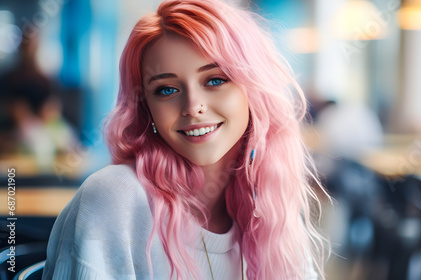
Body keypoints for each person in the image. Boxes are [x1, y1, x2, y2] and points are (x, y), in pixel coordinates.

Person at [42, 0, 328, 279]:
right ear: (146, 109)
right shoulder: (115, 198)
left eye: (215, 80)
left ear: (254, 90)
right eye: (166, 90)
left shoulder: (271, 207)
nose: (193, 106)